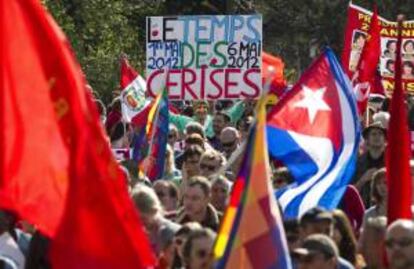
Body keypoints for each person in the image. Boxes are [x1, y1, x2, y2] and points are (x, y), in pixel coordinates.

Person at [131, 184, 181, 255]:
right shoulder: (134, 232)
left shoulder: (170, 233)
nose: (140, 222)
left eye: (143, 218)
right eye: (136, 218)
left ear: (154, 211)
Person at [353, 121, 386, 207]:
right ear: (367, 140)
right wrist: (363, 179)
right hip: (363, 208)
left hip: (385, 209)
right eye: (373, 134)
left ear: (385, 139)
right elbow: (351, 191)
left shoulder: (391, 163)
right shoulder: (358, 163)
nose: (377, 137)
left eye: (380, 134)